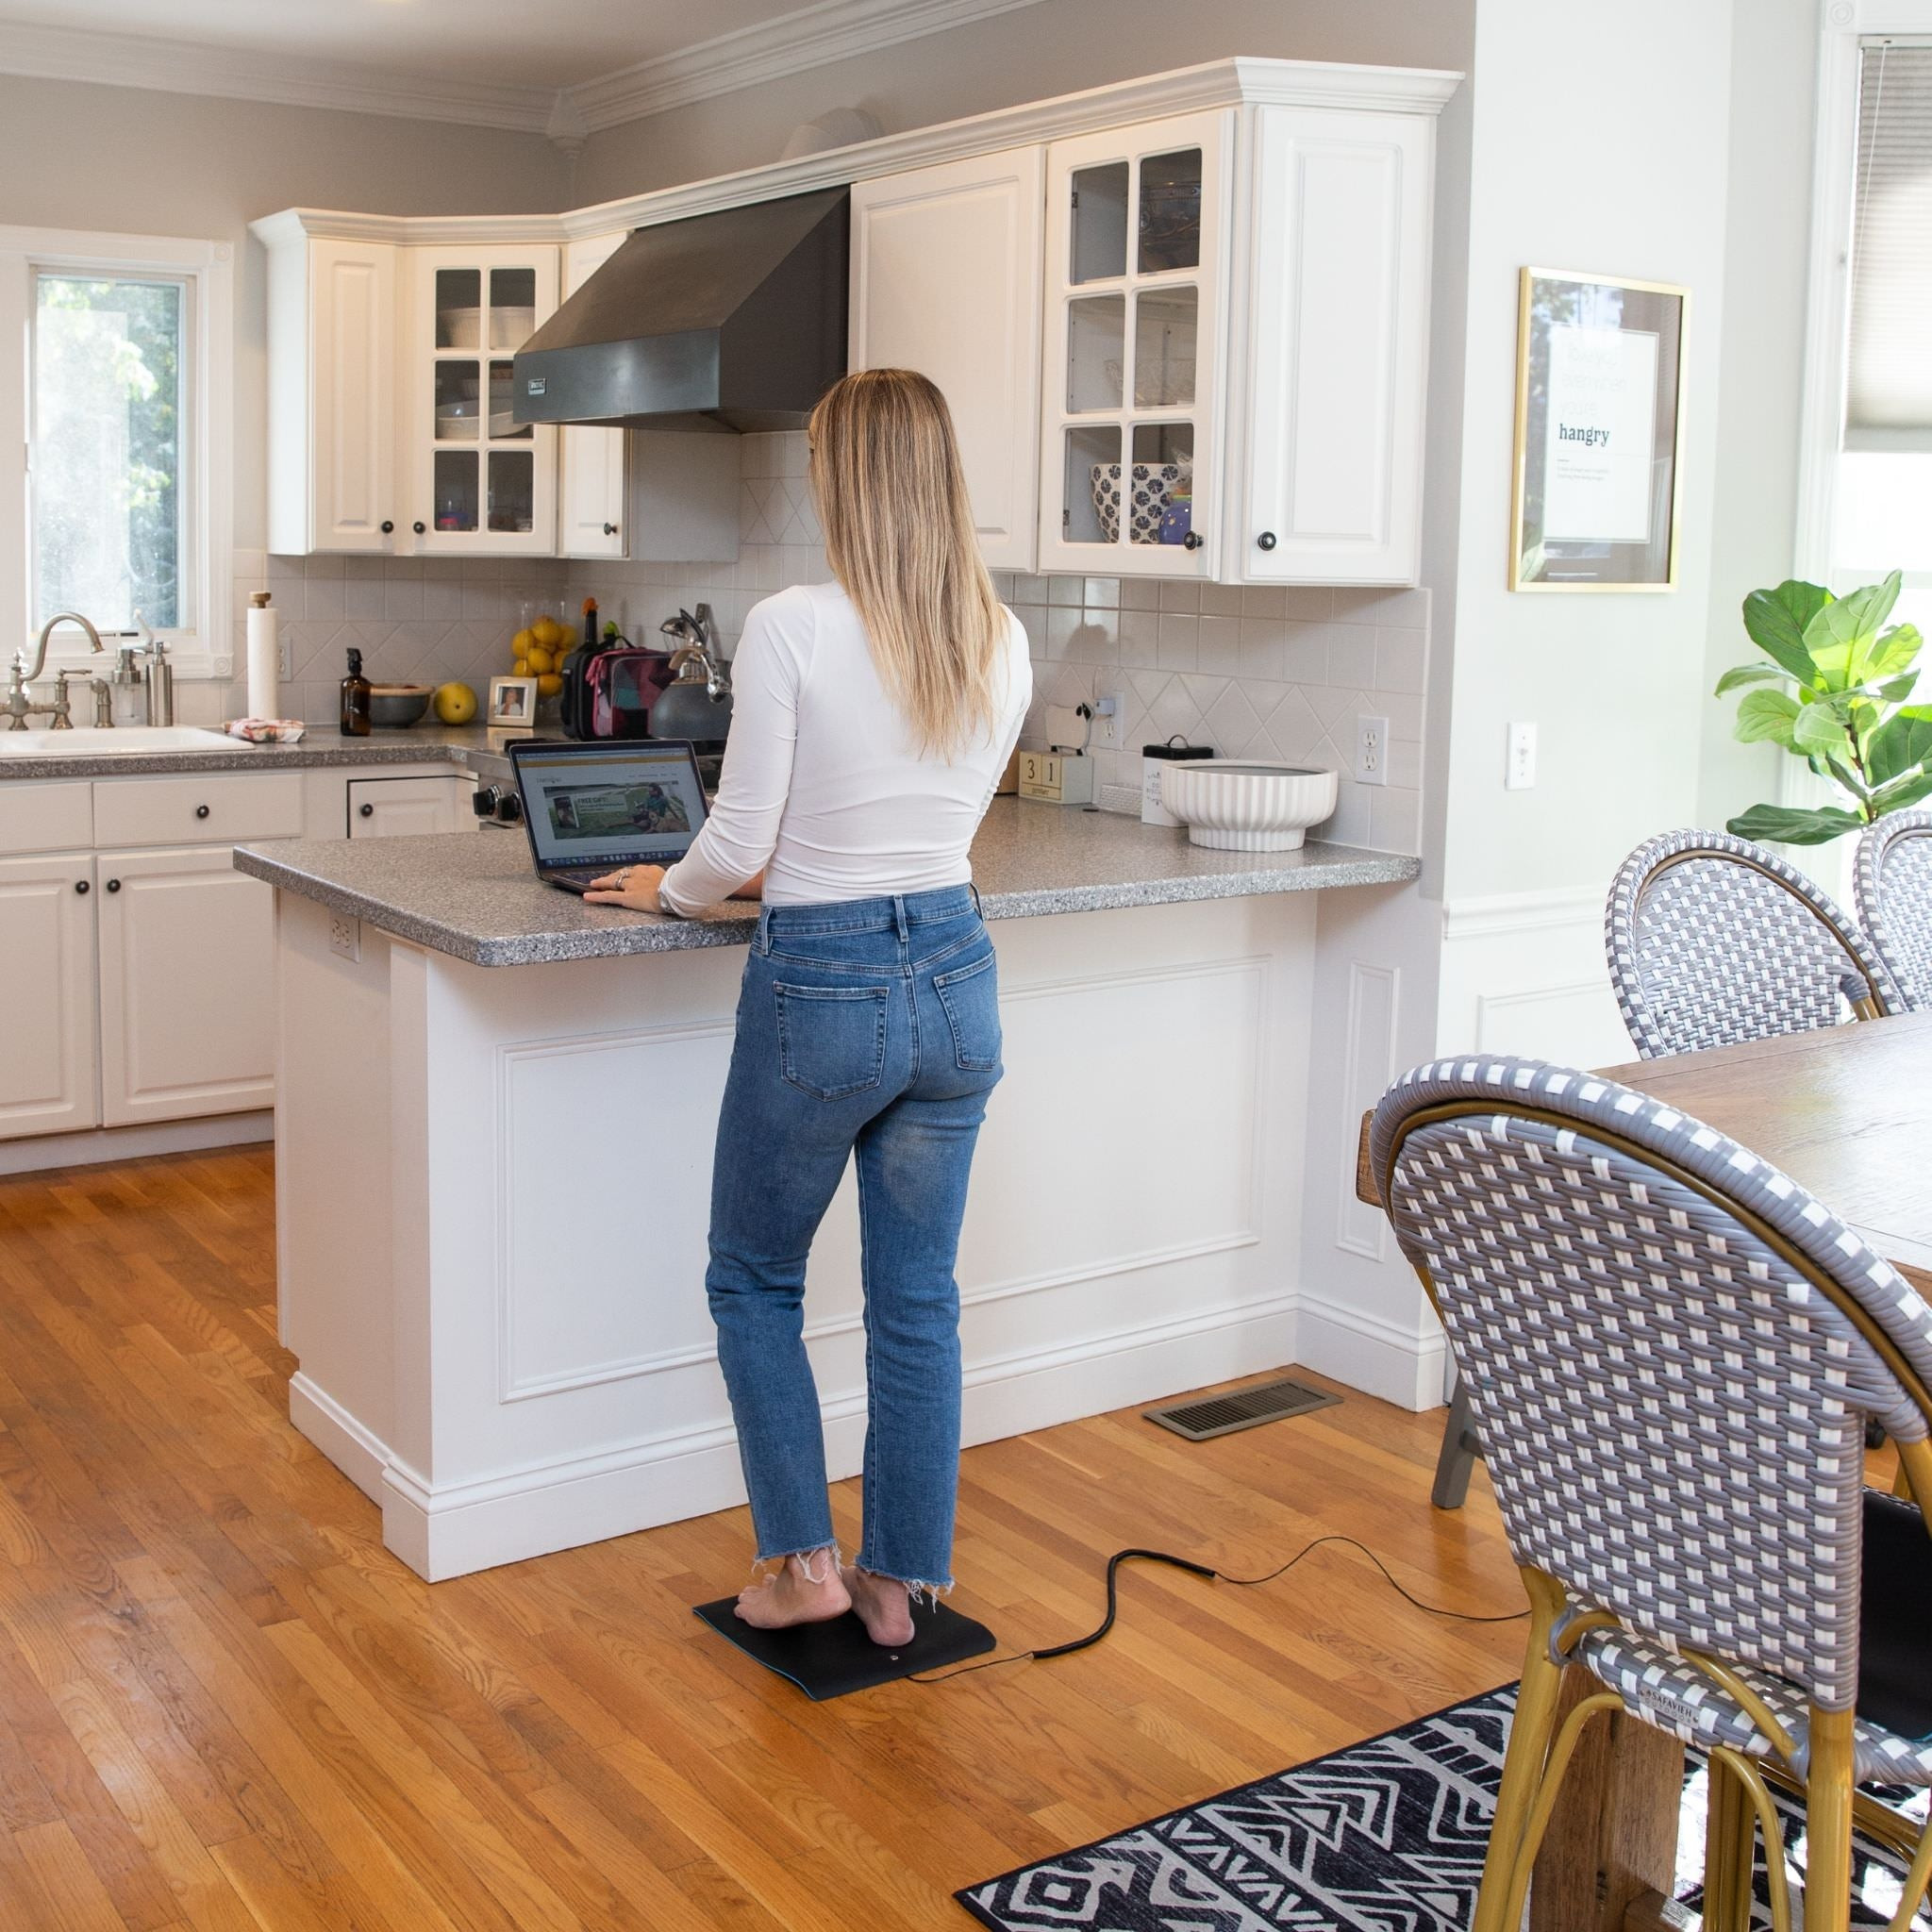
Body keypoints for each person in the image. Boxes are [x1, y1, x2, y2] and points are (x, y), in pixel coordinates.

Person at [584, 370, 1032, 1645]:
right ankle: (903, 1581)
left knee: (753, 1278)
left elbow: (733, 842)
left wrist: (669, 894)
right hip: (957, 978)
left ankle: (804, 1567)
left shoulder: (792, 622)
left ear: (841, 480)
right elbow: (925, 827)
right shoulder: (996, 634)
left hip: (825, 985)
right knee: (917, 1297)